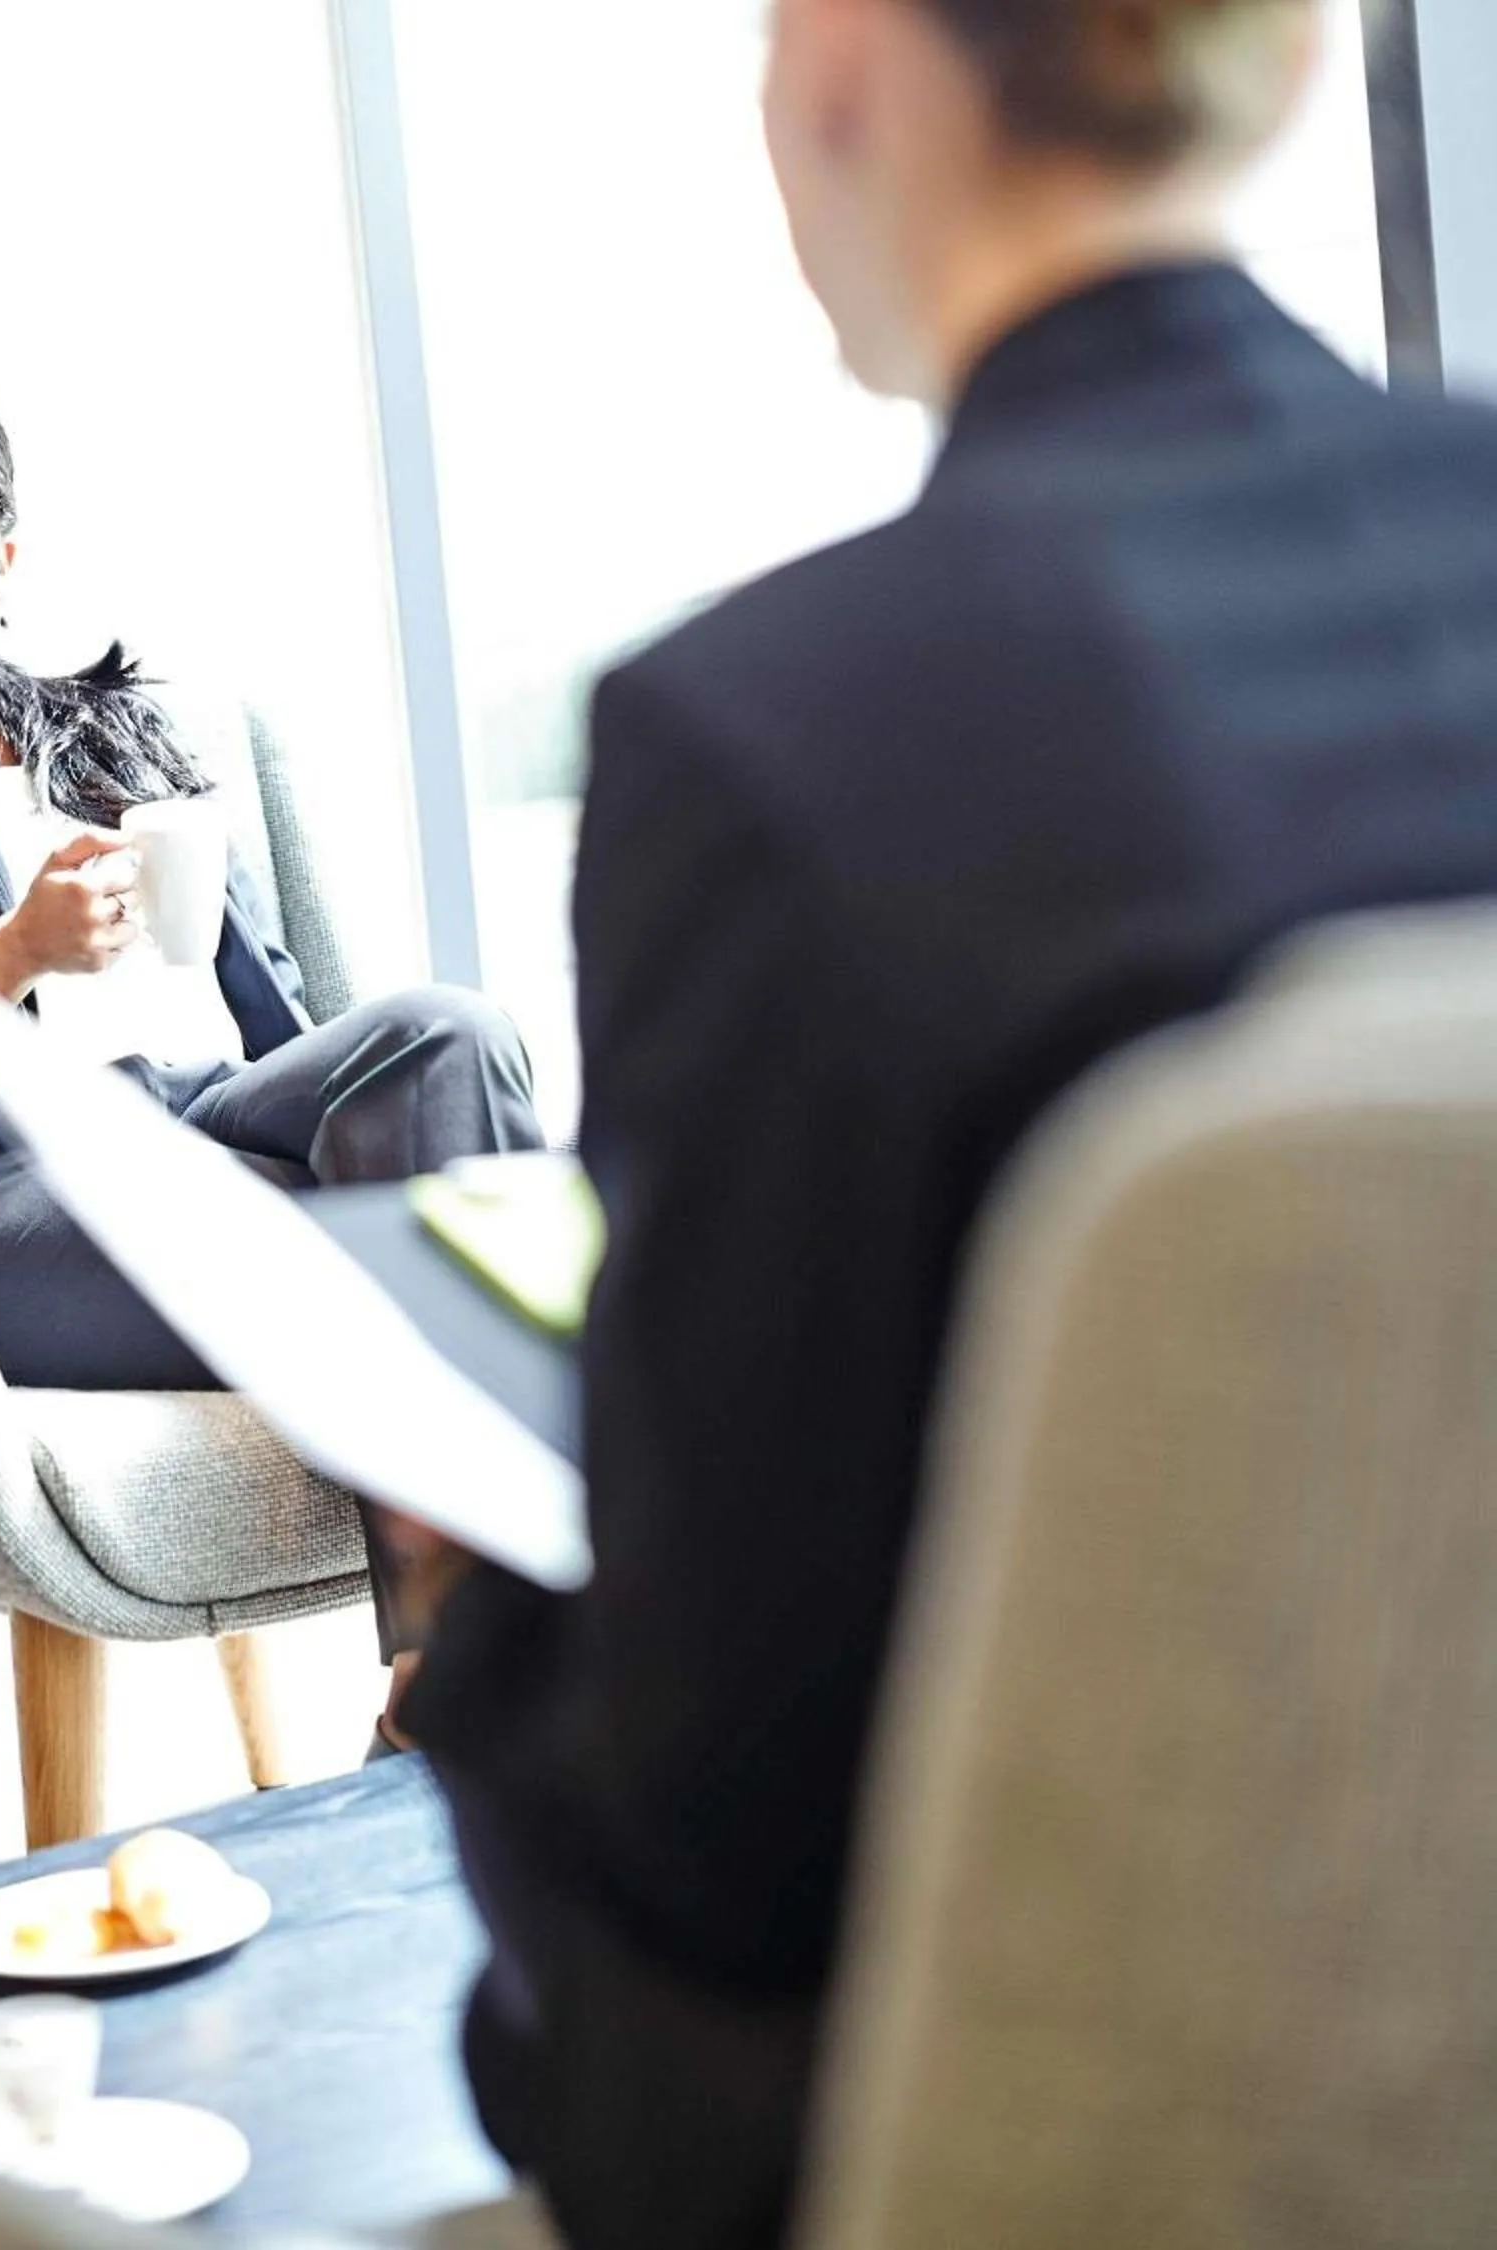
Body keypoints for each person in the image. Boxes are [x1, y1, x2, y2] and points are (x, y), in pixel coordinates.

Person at [404, 1, 1497, 2243]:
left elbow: (725, 1815)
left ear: (832, 80)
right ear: (1288, 74)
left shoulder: (778, 733)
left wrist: (480, 1576)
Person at [0, 371, 545, 1742]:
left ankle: (461, 1664)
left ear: (2, 552)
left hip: (206, 1111)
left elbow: (289, 1024)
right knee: (405, 1245)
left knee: (452, 1032)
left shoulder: (113, 723)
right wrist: (5, 959)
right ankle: (516, 1659)